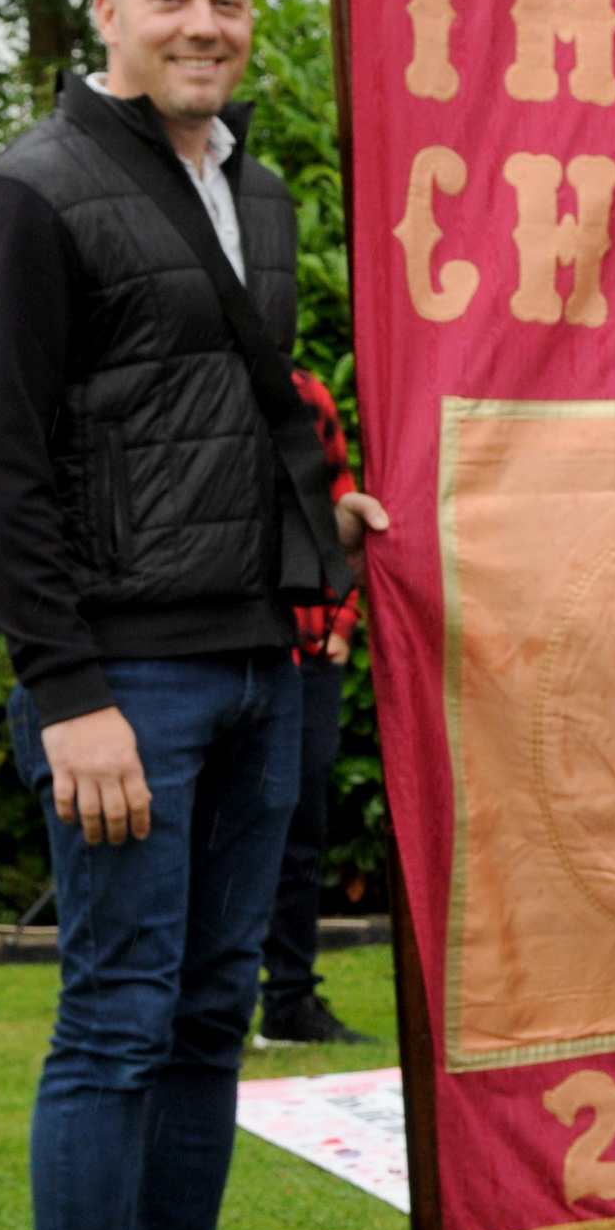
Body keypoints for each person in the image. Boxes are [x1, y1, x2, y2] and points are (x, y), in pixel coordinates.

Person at [0, 0, 389, 1230]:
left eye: (230, 2)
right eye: (176, 0)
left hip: (260, 659)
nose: (207, 25)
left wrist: (318, 518)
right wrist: (66, 692)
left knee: (210, 1021)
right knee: (117, 1024)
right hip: (120, 684)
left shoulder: (251, 189)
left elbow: (239, 412)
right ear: (109, 14)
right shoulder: (27, 197)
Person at [254, 366, 376, 1050]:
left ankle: (289, 1003)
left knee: (300, 837)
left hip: (308, 647)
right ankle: (213, 1007)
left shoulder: (304, 393)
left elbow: (342, 506)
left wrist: (342, 620)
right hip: (231, 642)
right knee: (217, 834)